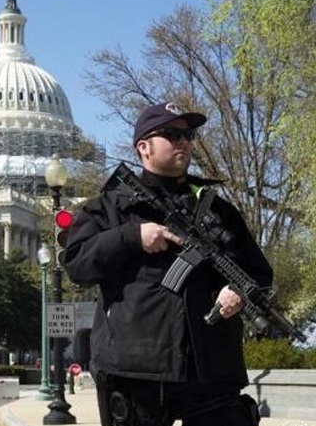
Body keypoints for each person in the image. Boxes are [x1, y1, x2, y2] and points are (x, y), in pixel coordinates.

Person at [63, 101, 270, 426]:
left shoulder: (220, 211)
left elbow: (259, 273)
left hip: (213, 367)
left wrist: (238, 291)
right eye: (173, 134)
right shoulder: (109, 208)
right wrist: (132, 237)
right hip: (136, 370)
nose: (184, 142)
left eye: (188, 135)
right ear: (143, 147)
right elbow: (77, 264)